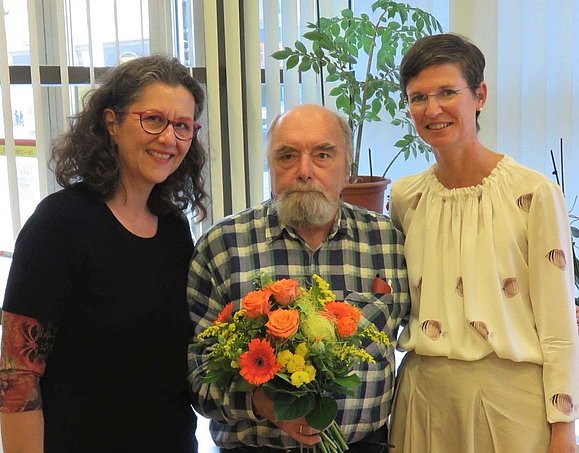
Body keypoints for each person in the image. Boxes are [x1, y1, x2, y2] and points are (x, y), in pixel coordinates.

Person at [0, 55, 208, 453]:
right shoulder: (59, 225)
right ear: (112, 122)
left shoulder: (173, 227)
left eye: (183, 126)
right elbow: (16, 377)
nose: (169, 138)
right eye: (154, 120)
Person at [388, 33, 579, 452]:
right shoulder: (405, 198)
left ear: (480, 96)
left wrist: (564, 427)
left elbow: (558, 323)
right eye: (417, 97)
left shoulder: (533, 194)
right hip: (423, 399)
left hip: (511, 406)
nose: (431, 109)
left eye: (446, 92)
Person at [187, 104, 409, 452]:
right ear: (271, 167)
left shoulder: (389, 242)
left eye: (322, 155)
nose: (304, 171)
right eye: (287, 156)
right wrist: (261, 403)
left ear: (348, 168)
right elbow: (196, 376)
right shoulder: (222, 247)